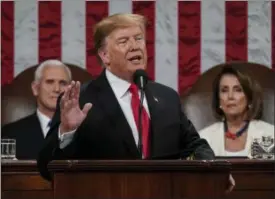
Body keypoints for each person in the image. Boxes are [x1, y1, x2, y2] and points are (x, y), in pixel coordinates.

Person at [38, 13, 234, 190]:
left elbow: (195, 146)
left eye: (139, 39)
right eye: (124, 41)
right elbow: (47, 168)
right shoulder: (80, 100)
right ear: (104, 55)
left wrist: (213, 172)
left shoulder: (166, 97)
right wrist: (68, 132)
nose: (135, 46)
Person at [1, 60, 71, 159]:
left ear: (70, 89)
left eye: (62, 83)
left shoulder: (85, 132)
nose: (56, 89)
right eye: (49, 82)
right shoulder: (9, 134)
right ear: (35, 88)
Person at [199, 65, 274, 158]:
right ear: (218, 99)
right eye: (224, 90)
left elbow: (266, 171)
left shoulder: (268, 134)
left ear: (249, 98)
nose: (230, 96)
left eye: (238, 90)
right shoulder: (204, 138)